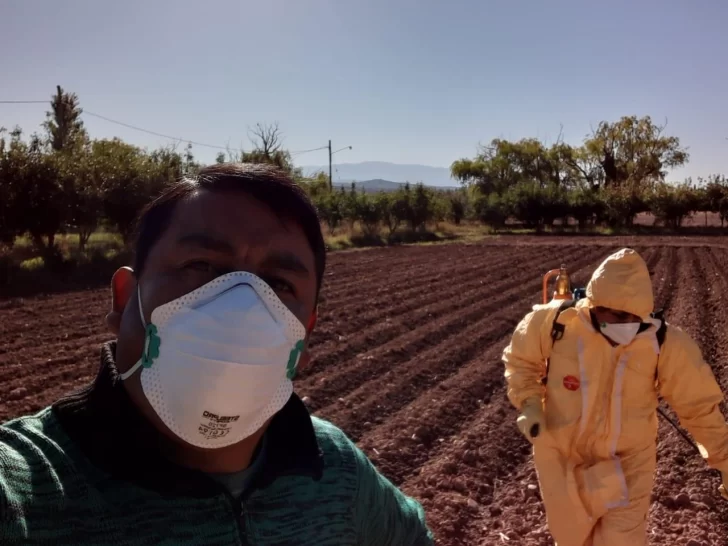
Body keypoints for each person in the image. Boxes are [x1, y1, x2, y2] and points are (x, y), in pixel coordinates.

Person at [0, 163, 434, 545]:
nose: (240, 308)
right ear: (125, 299)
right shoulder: (25, 489)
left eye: (280, 284)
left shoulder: (333, 466)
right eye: (201, 265)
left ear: (304, 336)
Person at [503, 248, 728, 546]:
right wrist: (530, 402)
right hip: (562, 458)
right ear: (593, 303)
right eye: (610, 313)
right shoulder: (556, 323)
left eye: (628, 316)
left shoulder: (665, 344)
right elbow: (521, 361)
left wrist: (725, 461)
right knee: (571, 539)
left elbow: (699, 408)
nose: (619, 322)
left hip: (628, 465)